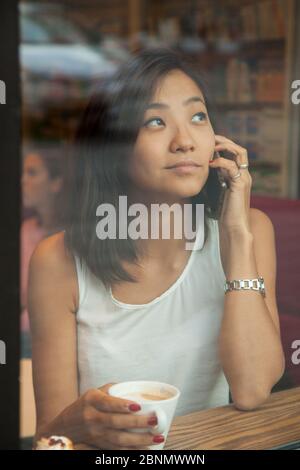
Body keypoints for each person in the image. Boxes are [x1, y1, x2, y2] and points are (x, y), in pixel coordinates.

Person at [28, 48, 285, 450]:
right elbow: (50, 440)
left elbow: (253, 390)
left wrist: (235, 235)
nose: (185, 141)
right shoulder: (57, 261)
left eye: (197, 116)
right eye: (156, 121)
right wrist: (76, 425)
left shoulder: (250, 232)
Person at [21, 146, 64, 356]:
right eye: (23, 172)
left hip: (54, 337)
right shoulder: (27, 229)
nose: (23, 180)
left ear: (56, 182)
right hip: (24, 334)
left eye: (32, 173)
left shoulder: (74, 235)